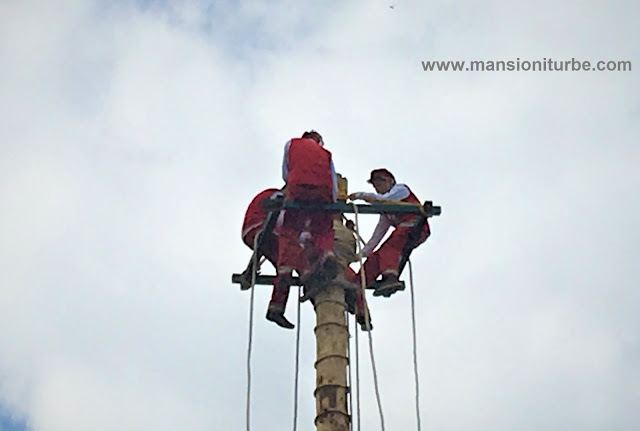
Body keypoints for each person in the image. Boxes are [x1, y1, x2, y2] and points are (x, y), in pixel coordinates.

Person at [268, 130, 339, 329]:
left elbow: (285, 172)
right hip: (322, 194)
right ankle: (327, 255)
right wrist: (331, 207)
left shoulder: (291, 144)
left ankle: (285, 277)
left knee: (289, 234)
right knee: (323, 230)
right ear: (319, 141)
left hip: (298, 190)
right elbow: (332, 182)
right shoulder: (326, 154)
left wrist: (293, 186)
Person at [348, 168, 430, 297]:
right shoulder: (386, 212)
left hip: (415, 227)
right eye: (375, 185)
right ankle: (357, 286)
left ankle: (390, 277)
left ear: (390, 181)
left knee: (389, 248)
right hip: (403, 230)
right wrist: (363, 253)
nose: (377, 188)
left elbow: (383, 199)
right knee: (376, 257)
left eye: (379, 183)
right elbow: (378, 235)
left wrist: (360, 195)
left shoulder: (401, 190)